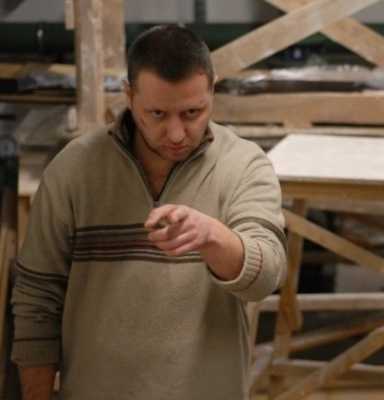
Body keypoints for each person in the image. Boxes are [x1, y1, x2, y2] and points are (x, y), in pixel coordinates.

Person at [11, 25, 287, 400]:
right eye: (157, 113)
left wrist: (213, 237)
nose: (176, 133)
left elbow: (266, 275)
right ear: (129, 95)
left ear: (212, 91)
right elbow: (37, 295)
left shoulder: (243, 165)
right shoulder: (75, 168)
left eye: (192, 112)